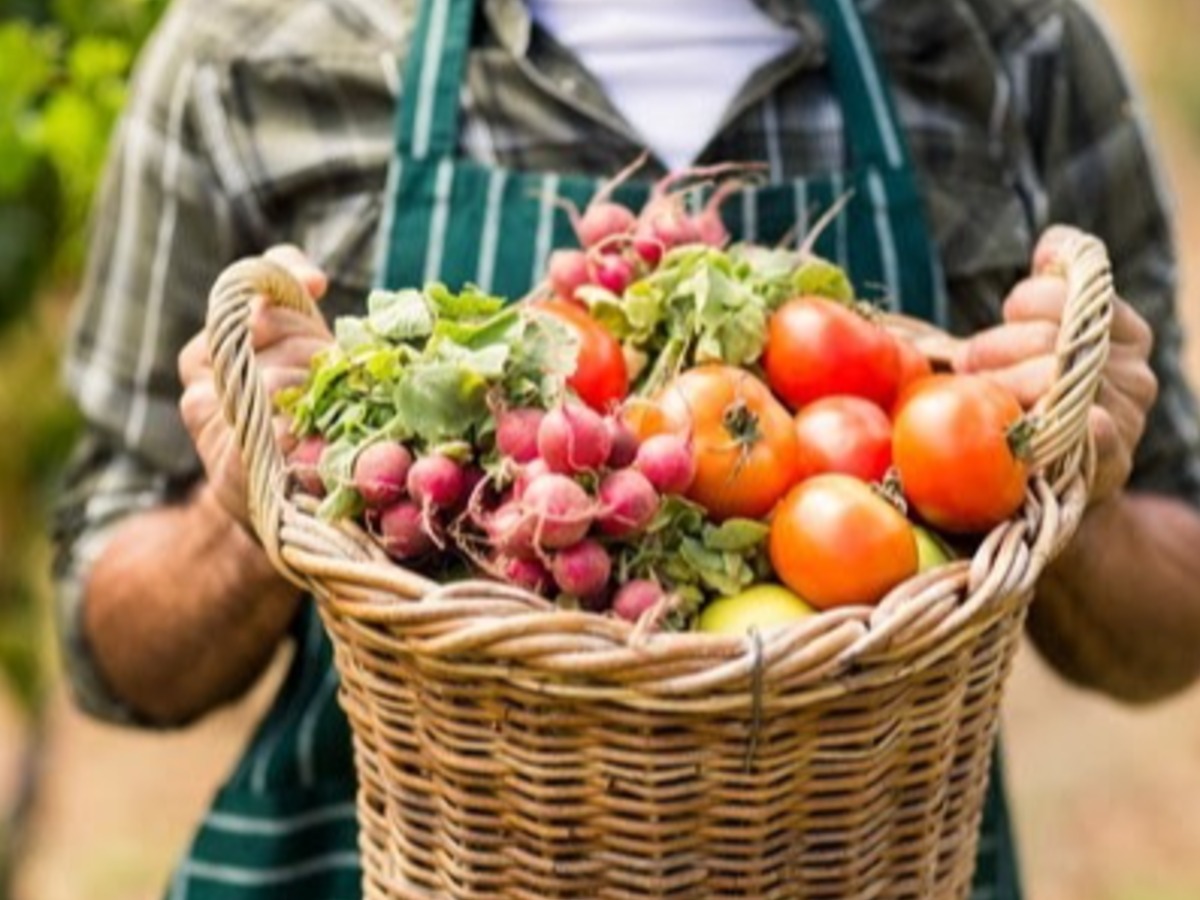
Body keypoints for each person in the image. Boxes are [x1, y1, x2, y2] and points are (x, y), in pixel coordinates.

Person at [51, 0, 1200, 897]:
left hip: (865, 856)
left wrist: (1070, 475)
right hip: (375, 864)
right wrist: (257, 500)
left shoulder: (1008, 41)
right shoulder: (252, 50)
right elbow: (112, 652)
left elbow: (1170, 634)